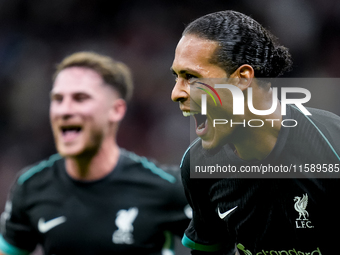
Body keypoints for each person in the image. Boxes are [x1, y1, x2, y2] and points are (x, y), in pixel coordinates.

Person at [171, 10, 340, 255]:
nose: (176, 93)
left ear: (242, 78)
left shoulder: (331, 146)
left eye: (191, 77)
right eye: (176, 77)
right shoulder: (198, 166)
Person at [0, 52, 191, 255]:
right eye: (58, 99)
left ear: (116, 110)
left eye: (80, 98)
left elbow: (220, 246)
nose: (64, 110)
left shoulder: (166, 187)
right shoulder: (30, 186)